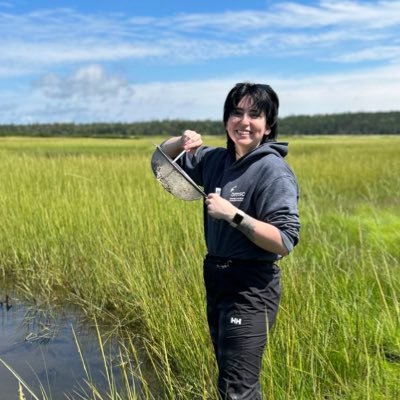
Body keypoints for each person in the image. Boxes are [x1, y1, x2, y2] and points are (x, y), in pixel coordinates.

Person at [160, 82, 300, 400]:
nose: (244, 121)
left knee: (238, 389)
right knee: (227, 378)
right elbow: (161, 163)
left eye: (255, 114)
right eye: (237, 113)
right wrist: (180, 140)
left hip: (251, 287)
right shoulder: (215, 161)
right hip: (217, 278)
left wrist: (234, 216)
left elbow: (285, 240)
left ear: (268, 127)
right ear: (226, 121)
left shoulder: (273, 171)